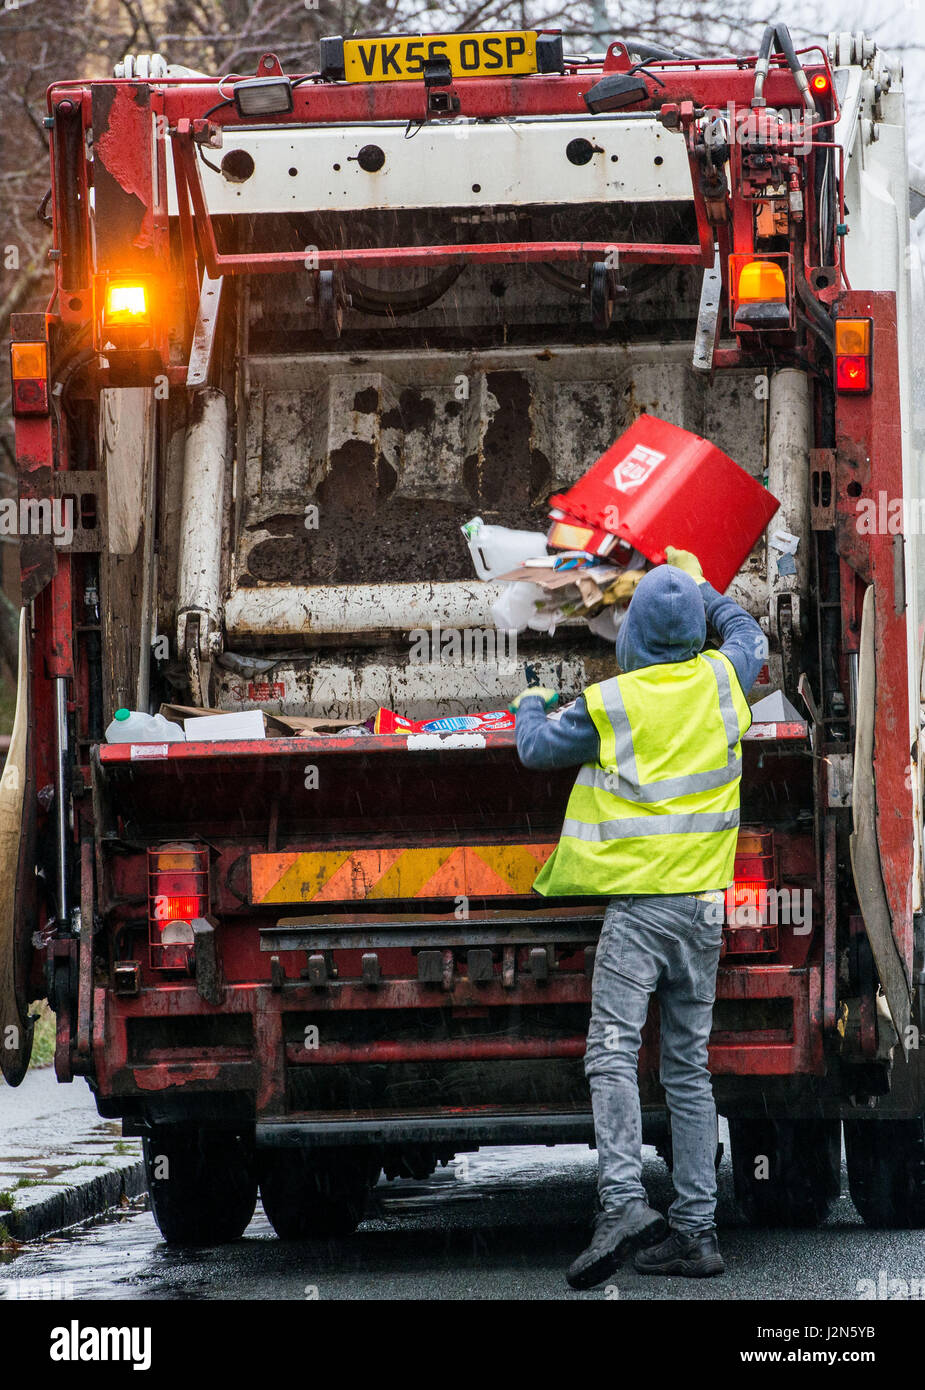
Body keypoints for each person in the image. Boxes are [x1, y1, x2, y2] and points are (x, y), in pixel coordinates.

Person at [510, 547, 766, 1288]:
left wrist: (531, 694)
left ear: (631, 639)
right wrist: (697, 583)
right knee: (686, 1068)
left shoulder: (613, 702)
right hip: (702, 911)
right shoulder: (724, 680)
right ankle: (694, 1231)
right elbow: (745, 630)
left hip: (642, 914)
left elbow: (533, 749)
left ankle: (621, 1202)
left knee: (611, 1053)